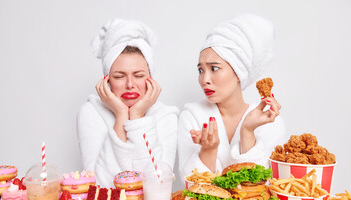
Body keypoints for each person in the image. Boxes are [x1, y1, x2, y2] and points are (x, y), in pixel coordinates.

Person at [178, 14, 286, 182]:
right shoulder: (192, 116)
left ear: (238, 73)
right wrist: (208, 150)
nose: (204, 79)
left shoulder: (269, 122)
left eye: (214, 68)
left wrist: (247, 132)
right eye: (201, 70)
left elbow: (262, 187)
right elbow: (189, 187)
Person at [77, 19, 178, 188]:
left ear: (150, 78)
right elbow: (100, 185)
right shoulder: (91, 113)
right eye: (119, 76)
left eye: (138, 75)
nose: (130, 84)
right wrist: (121, 115)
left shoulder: (166, 116)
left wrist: (137, 116)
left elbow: (159, 185)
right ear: (107, 80)